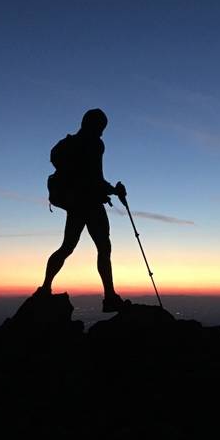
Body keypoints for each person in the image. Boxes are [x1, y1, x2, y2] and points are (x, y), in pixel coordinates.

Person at [35, 109, 130, 312]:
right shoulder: (95, 144)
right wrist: (115, 190)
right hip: (91, 204)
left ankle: (45, 288)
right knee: (104, 249)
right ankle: (110, 297)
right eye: (101, 128)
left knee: (67, 247)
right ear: (95, 125)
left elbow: (86, 176)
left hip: (75, 205)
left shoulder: (69, 144)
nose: (102, 133)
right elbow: (96, 178)